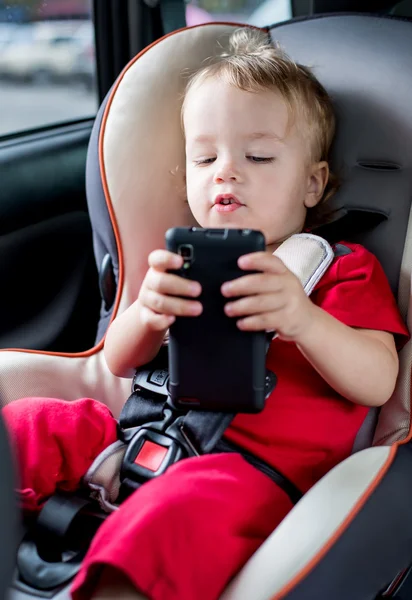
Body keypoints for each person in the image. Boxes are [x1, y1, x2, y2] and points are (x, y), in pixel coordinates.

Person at [3, 28, 409, 600]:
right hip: (135, 435)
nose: (226, 171)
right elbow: (119, 362)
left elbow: (378, 381)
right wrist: (147, 310)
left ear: (313, 183)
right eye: (205, 156)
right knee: (29, 423)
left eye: (259, 155)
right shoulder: (179, 262)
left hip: (248, 474)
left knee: (171, 518)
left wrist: (303, 319)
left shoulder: (338, 269)